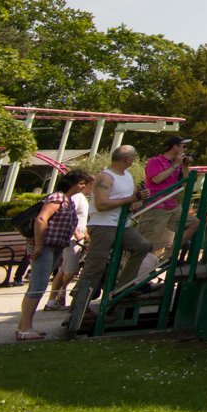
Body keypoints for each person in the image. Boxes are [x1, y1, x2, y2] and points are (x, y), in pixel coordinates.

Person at [66, 146, 153, 336]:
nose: (134, 159)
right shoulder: (105, 177)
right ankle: (78, 307)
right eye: (133, 157)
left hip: (122, 224)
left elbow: (127, 200)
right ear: (126, 158)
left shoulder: (127, 176)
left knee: (142, 246)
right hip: (103, 225)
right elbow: (101, 204)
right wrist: (131, 198)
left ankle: (123, 287)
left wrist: (135, 202)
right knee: (95, 266)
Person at [14, 169, 90, 341]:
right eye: (82, 183)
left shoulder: (68, 201)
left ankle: (23, 326)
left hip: (56, 247)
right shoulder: (57, 198)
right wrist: (39, 245)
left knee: (37, 286)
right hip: (45, 247)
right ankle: (25, 329)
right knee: (38, 286)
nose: (83, 187)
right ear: (73, 183)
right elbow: (41, 219)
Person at [135, 135, 199, 260]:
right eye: (184, 146)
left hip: (172, 206)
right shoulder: (155, 161)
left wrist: (185, 166)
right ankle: (138, 269)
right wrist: (175, 165)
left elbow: (185, 183)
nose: (186, 150)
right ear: (175, 147)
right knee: (149, 244)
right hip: (156, 205)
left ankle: (169, 256)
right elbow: (156, 179)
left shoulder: (179, 164)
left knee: (194, 223)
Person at [44, 170, 93, 311]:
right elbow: (69, 214)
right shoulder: (77, 197)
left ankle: (54, 300)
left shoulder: (81, 197)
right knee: (70, 271)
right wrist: (76, 232)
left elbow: (78, 218)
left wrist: (85, 232)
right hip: (72, 239)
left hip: (76, 237)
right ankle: (59, 294)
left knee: (64, 270)